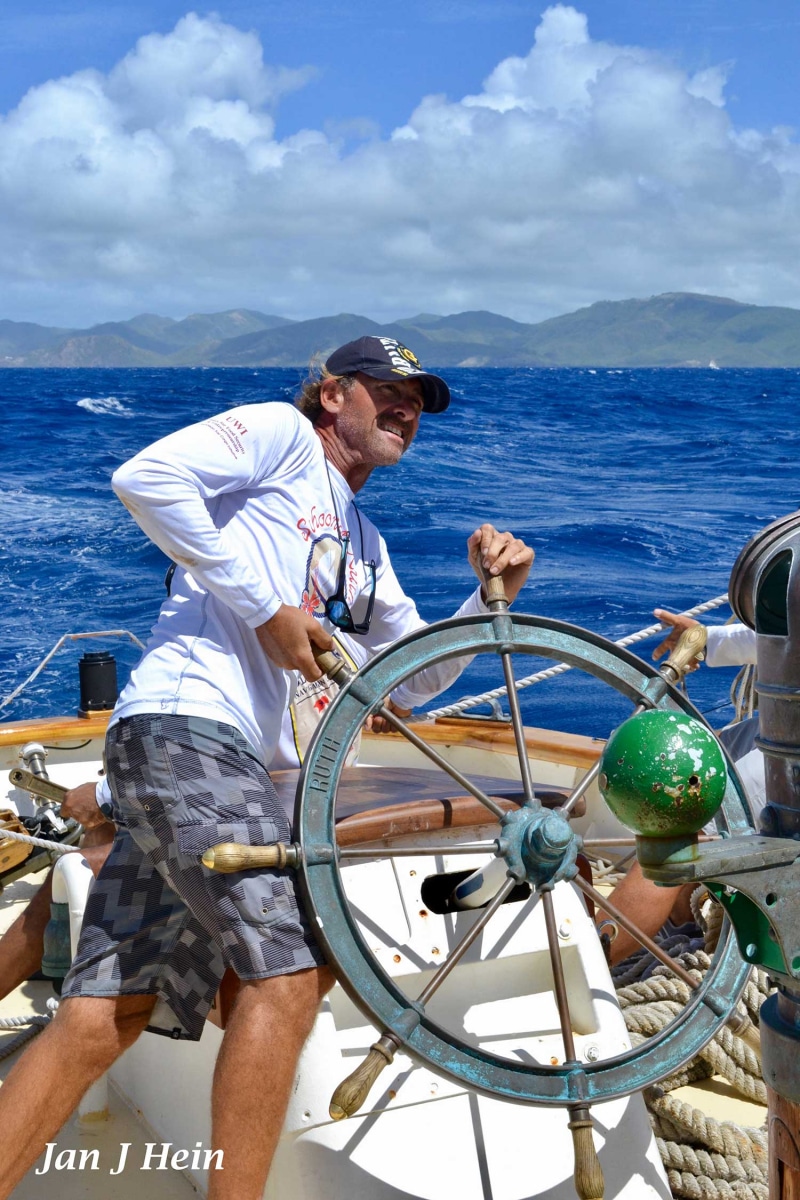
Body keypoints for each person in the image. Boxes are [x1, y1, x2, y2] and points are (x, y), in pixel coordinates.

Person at [0, 336, 534, 1200]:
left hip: (223, 764)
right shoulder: (281, 438)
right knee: (283, 978)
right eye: (387, 392)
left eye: (419, 401)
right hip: (187, 730)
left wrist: (487, 597)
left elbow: (412, 679)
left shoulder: (366, 545)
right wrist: (264, 608)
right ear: (332, 396)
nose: (407, 409)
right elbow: (145, 479)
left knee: (105, 1017)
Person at [598, 607, 760, 965]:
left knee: (675, 817)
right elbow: (786, 639)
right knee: (706, 773)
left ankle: (584, 964)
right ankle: (684, 917)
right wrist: (712, 641)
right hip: (780, 730)